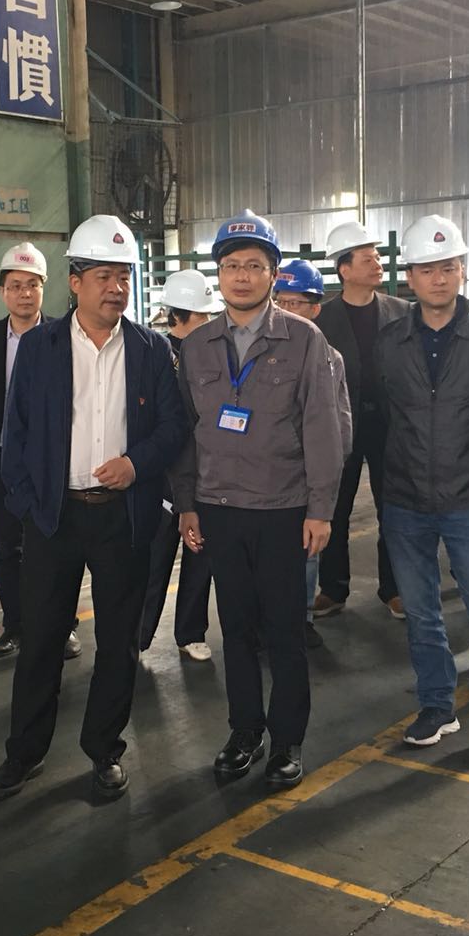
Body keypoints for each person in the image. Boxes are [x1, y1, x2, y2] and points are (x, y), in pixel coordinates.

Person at [0, 215, 187, 802]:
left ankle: (105, 750)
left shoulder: (150, 350)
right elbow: (15, 432)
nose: (116, 289)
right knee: (42, 639)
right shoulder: (40, 347)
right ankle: (24, 753)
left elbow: (174, 427)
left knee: (119, 641)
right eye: (103, 276)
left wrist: (136, 464)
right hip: (55, 517)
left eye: (124, 277)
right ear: (75, 282)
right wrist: (28, 504)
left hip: (123, 517)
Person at [172, 211, 344, 789]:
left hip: (282, 510)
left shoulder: (304, 341)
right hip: (219, 508)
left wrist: (320, 509)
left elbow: (323, 428)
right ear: (217, 276)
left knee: (284, 631)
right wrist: (187, 504)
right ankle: (244, 730)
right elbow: (187, 434)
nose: (241, 276)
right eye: (231, 266)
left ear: (273, 274)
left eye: (253, 266)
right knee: (236, 627)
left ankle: (287, 739)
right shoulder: (197, 346)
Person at [375, 215, 469, 766]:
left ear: (462, 271)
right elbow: (381, 414)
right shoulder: (389, 343)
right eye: (427, 270)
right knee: (421, 615)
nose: (438, 279)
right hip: (405, 501)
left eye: (448, 267)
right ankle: (437, 706)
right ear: (410, 278)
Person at [0, 243, 82, 662]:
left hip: (53, 463)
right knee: (8, 550)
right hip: (3, 460)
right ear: (3, 291)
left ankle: (63, 628)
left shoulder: (63, 336)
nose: (24, 293)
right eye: (15, 286)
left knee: (58, 545)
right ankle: (14, 627)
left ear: (43, 289)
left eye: (32, 285)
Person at [312, 221, 409, 621]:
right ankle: (333, 588)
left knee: (394, 508)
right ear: (344, 269)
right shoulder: (322, 318)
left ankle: (394, 588)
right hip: (340, 425)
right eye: (367, 259)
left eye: (378, 257)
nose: (377, 263)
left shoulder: (401, 312)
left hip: (390, 426)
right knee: (335, 508)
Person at [138, 268, 221, 662]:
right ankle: (138, 637)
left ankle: (190, 632)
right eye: (202, 315)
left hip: (204, 475)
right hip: (161, 480)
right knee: (153, 563)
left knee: (200, 558)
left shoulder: (213, 355)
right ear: (178, 315)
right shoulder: (154, 356)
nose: (208, 321)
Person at [273, 259, 353, 650]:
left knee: (306, 553)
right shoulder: (250, 351)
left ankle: (301, 619)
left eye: (296, 303)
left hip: (304, 480)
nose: (287, 310)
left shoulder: (329, 359)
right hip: (262, 480)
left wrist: (323, 476)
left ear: (315, 309)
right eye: (281, 302)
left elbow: (340, 428)